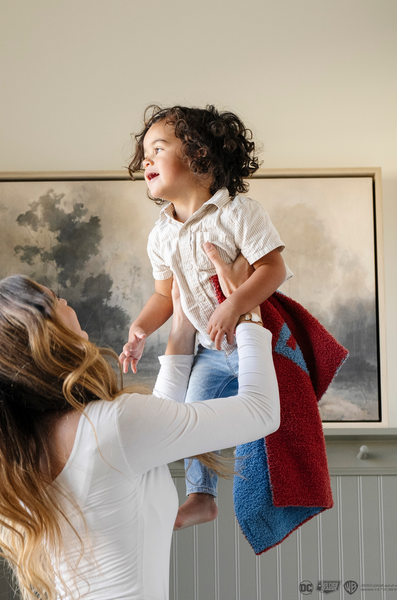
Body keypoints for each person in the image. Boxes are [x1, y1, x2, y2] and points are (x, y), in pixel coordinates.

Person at [0, 252, 279, 600]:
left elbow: (153, 421)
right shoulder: (112, 428)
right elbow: (262, 412)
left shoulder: (21, 457)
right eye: (54, 299)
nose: (65, 300)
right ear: (42, 336)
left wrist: (181, 325)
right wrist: (245, 306)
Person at [120, 105, 291, 529]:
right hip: (210, 351)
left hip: (257, 340)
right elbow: (165, 295)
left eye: (158, 149)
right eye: (144, 153)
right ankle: (201, 496)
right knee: (196, 413)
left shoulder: (239, 214)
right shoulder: (160, 235)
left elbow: (274, 270)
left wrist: (234, 305)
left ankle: (274, 494)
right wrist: (141, 327)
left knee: (269, 427)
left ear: (200, 156)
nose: (146, 160)